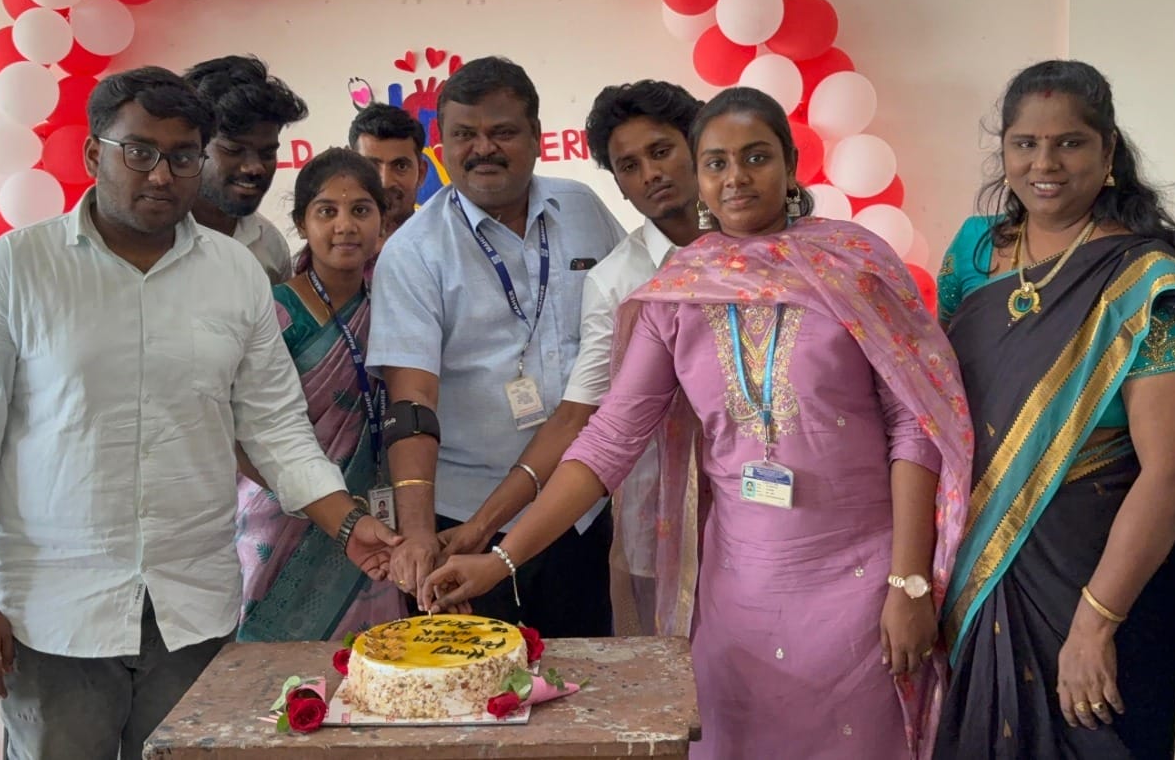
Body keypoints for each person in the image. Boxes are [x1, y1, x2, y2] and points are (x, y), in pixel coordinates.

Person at [423, 87, 973, 760]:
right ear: (700, 174)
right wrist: (501, 557)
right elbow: (609, 440)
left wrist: (909, 583)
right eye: (717, 162)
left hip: (863, 585)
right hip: (740, 592)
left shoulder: (854, 265)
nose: (736, 177)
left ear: (791, 163)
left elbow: (913, 425)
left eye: (756, 157)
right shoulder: (678, 291)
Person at [0, 67, 398, 760]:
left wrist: (347, 522)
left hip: (192, 607)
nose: (162, 175)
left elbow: (275, 426)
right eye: (139, 152)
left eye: (182, 156)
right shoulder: (12, 271)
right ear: (93, 153)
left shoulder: (235, 274)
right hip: (55, 613)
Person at [934, 60, 1175, 760]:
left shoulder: (1144, 282)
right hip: (980, 563)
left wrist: (1096, 624)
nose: (1044, 164)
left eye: (1069, 143)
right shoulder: (974, 252)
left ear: (1108, 153)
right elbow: (942, 401)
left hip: (1100, 577)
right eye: (1025, 143)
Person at [426, 80, 706, 634]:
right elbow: (588, 422)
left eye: (661, 151)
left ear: (698, 145)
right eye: (628, 166)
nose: (650, 174)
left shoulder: (775, 249)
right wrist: (489, 538)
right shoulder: (622, 282)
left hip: (790, 507)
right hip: (667, 508)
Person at [367, 56, 626, 636]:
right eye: (465, 134)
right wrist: (417, 534)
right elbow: (411, 404)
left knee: (580, 677)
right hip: (462, 525)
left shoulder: (582, 209)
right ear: (442, 146)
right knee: (472, 682)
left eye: (502, 131)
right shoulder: (414, 252)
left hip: (577, 512)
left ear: (536, 136)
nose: (483, 149)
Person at [234, 149, 410, 643]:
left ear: (382, 221)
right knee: (270, 664)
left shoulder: (395, 307)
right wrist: (312, 502)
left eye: (361, 210)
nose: (345, 226)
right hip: (280, 515)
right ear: (301, 223)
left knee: (371, 657)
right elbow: (241, 431)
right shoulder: (273, 311)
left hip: (375, 510)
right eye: (327, 211)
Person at [185, 55, 308, 284]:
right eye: (233, 150)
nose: (255, 168)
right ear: (191, 148)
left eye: (267, 153)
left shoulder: (270, 247)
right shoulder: (150, 236)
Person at [349, 102, 429, 232]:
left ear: (421, 173)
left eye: (401, 166)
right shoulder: (329, 243)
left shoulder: (446, 243)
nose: (385, 182)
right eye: (371, 166)